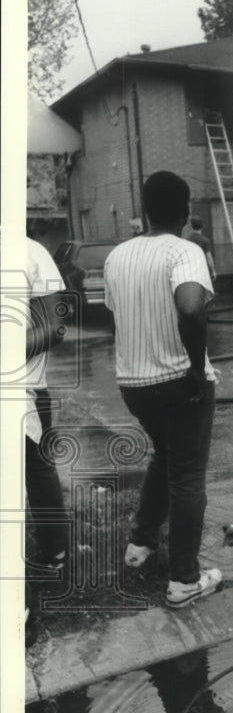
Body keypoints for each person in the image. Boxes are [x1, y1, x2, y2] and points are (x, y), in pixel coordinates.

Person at [103, 171, 221, 609]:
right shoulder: (184, 250)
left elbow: (119, 312)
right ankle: (184, 582)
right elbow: (190, 308)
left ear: (146, 210)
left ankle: (140, 544)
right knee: (188, 476)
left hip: (134, 385)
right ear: (186, 210)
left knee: (165, 457)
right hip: (179, 382)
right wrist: (194, 368)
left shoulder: (117, 256)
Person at [16, 237, 72, 643]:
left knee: (37, 470)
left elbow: (54, 325)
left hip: (23, 392)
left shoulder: (30, 252)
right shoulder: (30, 250)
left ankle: (53, 554)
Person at [184, 216, 216, 282]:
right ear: (202, 226)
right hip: (202, 271)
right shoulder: (205, 240)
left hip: (190, 271)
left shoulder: (186, 240)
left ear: (191, 226)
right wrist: (213, 271)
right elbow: (209, 257)